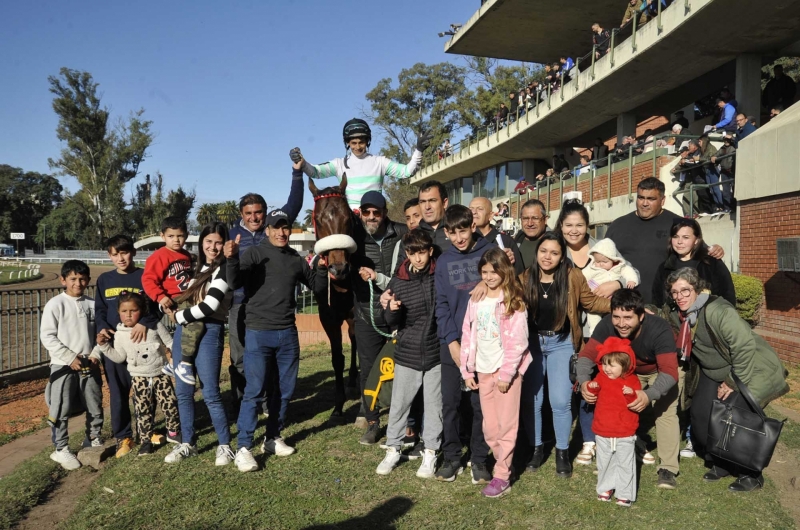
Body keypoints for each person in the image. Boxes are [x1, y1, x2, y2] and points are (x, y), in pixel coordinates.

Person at [663, 268, 789, 491]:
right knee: (701, 419)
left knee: (738, 420)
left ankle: (751, 474)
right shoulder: (678, 314)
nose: (680, 296)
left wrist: (731, 382)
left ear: (698, 290)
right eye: (675, 292)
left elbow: (744, 347)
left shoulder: (718, 311)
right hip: (715, 370)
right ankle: (721, 463)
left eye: (685, 290)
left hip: (752, 366)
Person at [225, 183, 320, 473]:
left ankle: (272, 437)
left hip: (287, 334)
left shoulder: (295, 259)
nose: (281, 232)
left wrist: (326, 267)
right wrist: (230, 258)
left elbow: (317, 286)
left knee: (285, 388)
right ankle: (243, 446)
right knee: (255, 389)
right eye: (275, 227)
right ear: (266, 229)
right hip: (258, 332)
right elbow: (235, 282)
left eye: (285, 227)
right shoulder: (255, 254)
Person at [521, 233, 610, 477]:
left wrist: (623, 305)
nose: (547, 257)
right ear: (536, 252)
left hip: (561, 343)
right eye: (543, 251)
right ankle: (536, 449)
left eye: (554, 252)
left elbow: (591, 302)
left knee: (560, 401)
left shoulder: (572, 276)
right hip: (533, 344)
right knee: (534, 401)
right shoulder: (525, 278)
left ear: (562, 257)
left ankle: (562, 452)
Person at [577, 290, 682, 490]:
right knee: (616, 405)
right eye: (616, 316)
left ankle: (667, 468)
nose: (621, 323)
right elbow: (587, 356)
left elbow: (670, 371)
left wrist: (649, 394)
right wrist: (583, 382)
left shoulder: (659, 328)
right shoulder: (607, 324)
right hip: (625, 371)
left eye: (628, 317)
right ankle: (627, 448)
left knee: (665, 411)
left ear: (641, 316)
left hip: (658, 369)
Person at [228, 172, 304, 407]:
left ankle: (267, 403)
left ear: (265, 212)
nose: (254, 217)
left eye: (258, 212)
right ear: (241, 214)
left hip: (267, 308)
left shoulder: (272, 231)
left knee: (268, 359)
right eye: (249, 213)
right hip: (237, 304)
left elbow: (294, 203)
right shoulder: (230, 235)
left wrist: (297, 173)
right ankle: (242, 402)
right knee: (240, 357)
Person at [460, 248, 530, 498]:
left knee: (506, 426)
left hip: (505, 373)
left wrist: (507, 375)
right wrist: (466, 369)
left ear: (504, 272)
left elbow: (518, 343)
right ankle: (503, 462)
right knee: (490, 428)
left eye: (494, 272)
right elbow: (468, 335)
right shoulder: (476, 299)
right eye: (484, 272)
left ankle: (502, 475)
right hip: (482, 370)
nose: (489, 277)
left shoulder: (514, 301)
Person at [433, 205, 496, 483]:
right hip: (454, 345)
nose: (459, 237)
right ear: (446, 233)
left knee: (481, 405)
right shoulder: (444, 262)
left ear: (473, 226)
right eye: (452, 232)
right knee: (451, 403)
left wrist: (490, 284)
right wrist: (451, 342)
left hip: (485, 344)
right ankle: (452, 456)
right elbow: (442, 306)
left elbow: (505, 284)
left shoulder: (489, 252)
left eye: (463, 230)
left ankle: (480, 459)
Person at [376, 229, 442, 479]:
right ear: (406, 253)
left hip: (436, 352)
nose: (418, 258)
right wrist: (390, 309)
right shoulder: (399, 280)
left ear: (430, 251)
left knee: (434, 406)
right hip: (407, 353)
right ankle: (393, 447)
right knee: (399, 404)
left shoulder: (440, 274)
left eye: (422, 252)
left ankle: (431, 451)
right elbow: (390, 319)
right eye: (412, 253)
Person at [168, 222, 236, 466]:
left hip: (210, 331)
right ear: (201, 243)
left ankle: (225, 446)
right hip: (183, 333)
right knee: (183, 392)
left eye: (218, 242)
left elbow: (210, 306)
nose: (213, 247)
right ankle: (188, 442)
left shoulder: (226, 269)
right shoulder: (196, 268)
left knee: (210, 393)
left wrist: (177, 317)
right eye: (208, 242)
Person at [605, 177, 723, 305]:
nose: (644, 203)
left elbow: (699, 252)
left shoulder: (679, 225)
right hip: (624, 306)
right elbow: (600, 262)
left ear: (663, 200)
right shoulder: (617, 226)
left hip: (665, 306)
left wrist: (714, 249)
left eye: (651, 199)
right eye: (641, 197)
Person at [94, 234, 161, 458]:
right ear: (109, 256)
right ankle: (124, 437)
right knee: (118, 393)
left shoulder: (144, 276)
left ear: (132, 252)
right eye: (115, 254)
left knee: (145, 391)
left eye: (124, 253)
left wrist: (144, 323)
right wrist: (102, 329)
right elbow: (100, 311)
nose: (121, 258)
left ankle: (147, 431)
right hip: (116, 347)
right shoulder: (104, 280)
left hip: (142, 346)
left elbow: (155, 306)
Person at [349, 191, 407, 444]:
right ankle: (372, 421)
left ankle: (403, 420)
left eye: (377, 212)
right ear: (360, 213)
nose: (372, 217)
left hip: (398, 311)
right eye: (366, 212)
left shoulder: (402, 233)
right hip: (366, 313)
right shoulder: (353, 238)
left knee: (404, 368)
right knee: (369, 369)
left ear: (385, 212)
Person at [96, 292, 180, 458]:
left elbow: (170, 342)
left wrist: (174, 360)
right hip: (139, 379)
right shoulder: (119, 334)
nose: (128, 315)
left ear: (141, 310)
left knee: (170, 403)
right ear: (118, 312)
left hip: (160, 374)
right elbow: (119, 357)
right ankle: (146, 441)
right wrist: (104, 347)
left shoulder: (154, 326)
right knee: (143, 411)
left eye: (133, 310)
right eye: (124, 311)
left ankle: (174, 432)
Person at [41, 260, 103, 470]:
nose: (78, 282)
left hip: (90, 364)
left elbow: (100, 336)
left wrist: (95, 355)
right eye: (73, 278)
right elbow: (47, 336)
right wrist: (69, 358)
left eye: (82, 278)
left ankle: (92, 439)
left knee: (94, 404)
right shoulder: (55, 304)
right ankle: (61, 448)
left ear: (88, 280)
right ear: (63, 280)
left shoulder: (93, 304)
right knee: (61, 408)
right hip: (63, 365)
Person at [293, 119, 429, 209]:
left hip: (374, 217)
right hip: (350, 222)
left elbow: (407, 171)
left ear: (367, 142)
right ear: (347, 143)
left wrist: (419, 150)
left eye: (361, 142)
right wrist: (302, 162)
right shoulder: (339, 164)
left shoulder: (380, 162)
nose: (357, 147)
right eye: (353, 143)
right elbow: (315, 172)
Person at [586, 337, 642, 507]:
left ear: (625, 365)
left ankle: (624, 493)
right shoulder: (600, 377)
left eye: (612, 365)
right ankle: (606, 487)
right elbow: (591, 394)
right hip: (603, 429)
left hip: (624, 430)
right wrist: (591, 387)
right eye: (604, 364)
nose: (607, 369)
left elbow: (636, 402)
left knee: (625, 463)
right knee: (604, 461)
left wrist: (631, 394)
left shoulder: (632, 380)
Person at [141, 216, 192, 376]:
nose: (176, 240)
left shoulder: (186, 255)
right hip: (174, 299)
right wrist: (160, 297)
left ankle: (180, 360)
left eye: (180, 236)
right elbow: (148, 279)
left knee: (188, 328)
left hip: (188, 296)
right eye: (171, 236)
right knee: (191, 325)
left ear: (186, 235)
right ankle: (180, 361)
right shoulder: (159, 256)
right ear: (162, 236)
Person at [583, 239, 639, 332]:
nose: (600, 264)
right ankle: (594, 332)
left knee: (617, 316)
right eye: (597, 261)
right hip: (595, 298)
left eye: (604, 262)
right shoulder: (592, 268)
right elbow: (582, 276)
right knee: (593, 316)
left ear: (613, 259)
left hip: (615, 299)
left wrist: (631, 280)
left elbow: (629, 271)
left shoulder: (619, 267)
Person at [469, 197, 524, 274]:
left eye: (480, 209)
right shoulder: (465, 241)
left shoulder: (505, 242)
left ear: (491, 216)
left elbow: (519, 274)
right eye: (471, 209)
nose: (474, 212)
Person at [513, 199, 550, 269]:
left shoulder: (556, 243)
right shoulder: (514, 243)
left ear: (545, 220)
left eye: (535, 218)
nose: (530, 223)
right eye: (525, 218)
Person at [417, 180, 450, 254]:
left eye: (432, 200)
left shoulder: (460, 231)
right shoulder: (412, 237)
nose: (427, 207)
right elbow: (403, 265)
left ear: (444, 203)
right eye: (423, 202)